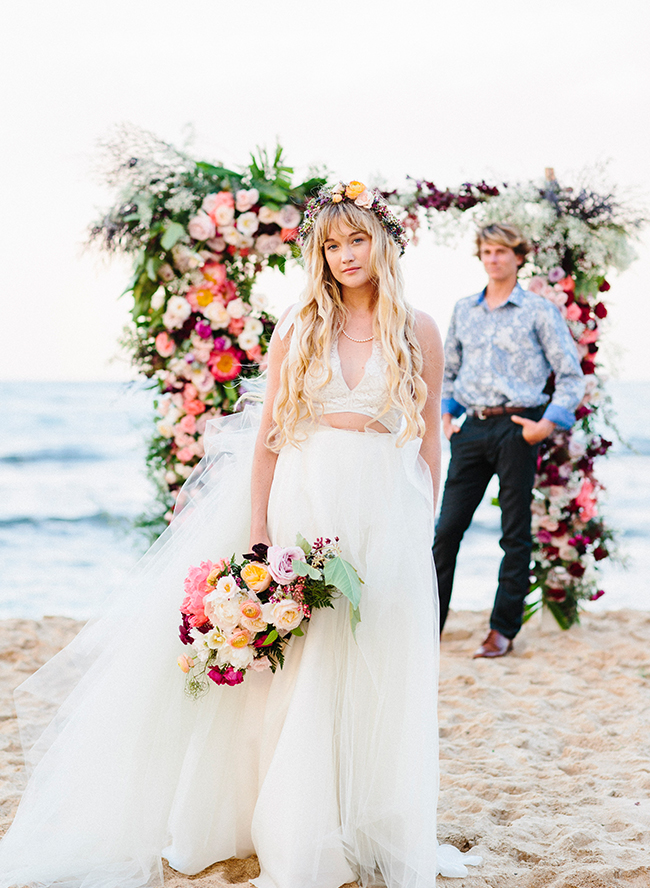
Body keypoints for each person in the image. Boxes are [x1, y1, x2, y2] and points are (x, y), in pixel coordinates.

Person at [0, 182, 481, 888]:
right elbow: (268, 441)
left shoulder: (421, 328)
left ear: (382, 243)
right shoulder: (300, 324)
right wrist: (259, 532)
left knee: (371, 662)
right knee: (303, 666)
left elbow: (429, 442)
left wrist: (426, 524)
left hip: (386, 509)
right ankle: (290, 825)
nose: (346, 256)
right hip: (308, 500)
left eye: (356, 240)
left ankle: (355, 817)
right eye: (331, 245)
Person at [433, 223, 584, 658]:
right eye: (487, 251)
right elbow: (451, 367)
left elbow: (570, 375)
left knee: (513, 532)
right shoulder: (464, 309)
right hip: (471, 428)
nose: (494, 258)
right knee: (446, 529)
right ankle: (431, 624)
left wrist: (546, 424)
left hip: (520, 426)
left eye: (502, 251)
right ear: (480, 256)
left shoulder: (538, 310)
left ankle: (502, 631)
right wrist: (446, 413)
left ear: (518, 257)